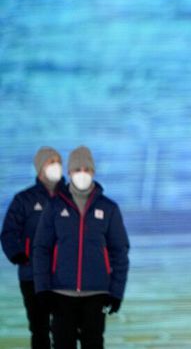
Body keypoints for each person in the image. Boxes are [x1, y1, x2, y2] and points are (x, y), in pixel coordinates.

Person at [33, 146, 130, 349]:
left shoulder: (108, 208)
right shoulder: (54, 207)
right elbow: (41, 248)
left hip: (96, 294)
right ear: (69, 173)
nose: (82, 174)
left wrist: (116, 292)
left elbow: (119, 251)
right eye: (78, 169)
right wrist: (42, 288)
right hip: (60, 294)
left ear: (94, 172)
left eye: (87, 169)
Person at [1, 146, 65, 349]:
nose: (56, 166)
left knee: (66, 329)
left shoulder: (72, 197)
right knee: (39, 328)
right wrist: (20, 255)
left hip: (67, 276)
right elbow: (9, 232)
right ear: (40, 168)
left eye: (58, 161)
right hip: (33, 276)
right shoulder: (24, 199)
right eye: (50, 162)